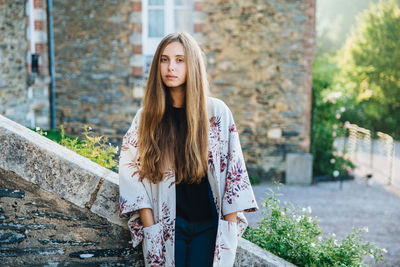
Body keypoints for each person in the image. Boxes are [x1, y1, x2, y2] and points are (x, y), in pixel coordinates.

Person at [118, 32, 258, 267]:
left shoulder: (217, 113)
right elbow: (130, 173)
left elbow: (233, 174)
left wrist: (228, 233)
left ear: (192, 64)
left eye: (179, 60)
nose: (170, 67)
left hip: (210, 228)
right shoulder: (146, 118)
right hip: (166, 227)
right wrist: (150, 225)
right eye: (164, 60)